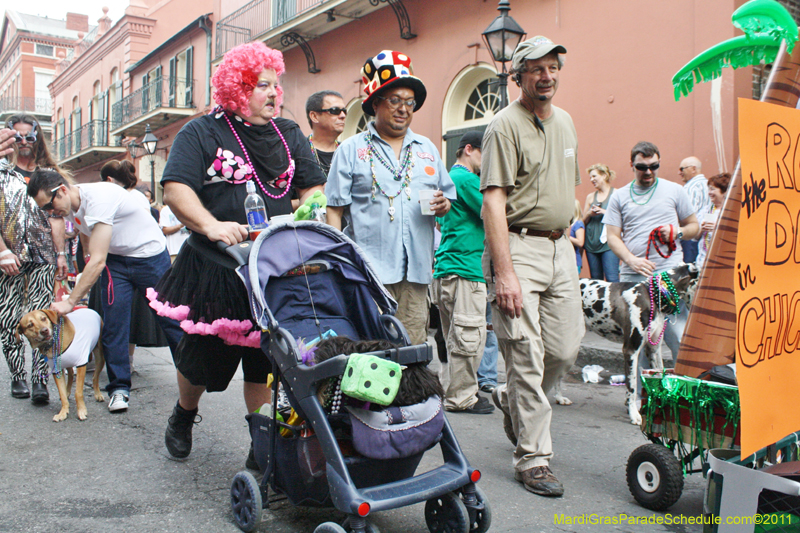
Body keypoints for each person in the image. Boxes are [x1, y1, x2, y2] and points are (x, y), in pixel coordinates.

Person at [147, 42, 325, 463]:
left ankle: (260, 445)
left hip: (273, 266)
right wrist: (211, 225)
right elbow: (175, 188)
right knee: (200, 363)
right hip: (214, 267)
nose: (274, 93)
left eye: (276, 84)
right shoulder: (202, 131)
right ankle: (184, 414)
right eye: (262, 84)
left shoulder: (290, 133)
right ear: (236, 88)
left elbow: (312, 186)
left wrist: (312, 206)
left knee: (265, 360)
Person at [481, 36, 584, 497]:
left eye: (553, 67)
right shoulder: (503, 126)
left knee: (563, 350)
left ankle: (512, 401)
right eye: (537, 69)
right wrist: (504, 272)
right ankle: (534, 458)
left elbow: (569, 185)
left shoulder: (565, 122)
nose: (547, 76)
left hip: (561, 250)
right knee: (524, 353)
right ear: (519, 76)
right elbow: (494, 202)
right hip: (517, 248)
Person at [27, 169, 184, 412]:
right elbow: (88, 237)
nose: (50, 212)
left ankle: (190, 378)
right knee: (114, 323)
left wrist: (70, 302)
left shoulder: (99, 198)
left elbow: (98, 261)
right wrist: (85, 254)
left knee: (170, 319)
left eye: (49, 205)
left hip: (150, 257)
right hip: (117, 260)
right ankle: (119, 388)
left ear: (62, 190)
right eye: (43, 210)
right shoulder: (69, 206)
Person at [327, 50, 456, 346]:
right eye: (395, 101)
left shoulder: (427, 149)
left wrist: (443, 205)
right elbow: (334, 210)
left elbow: (447, 201)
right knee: (371, 350)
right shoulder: (351, 149)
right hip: (368, 274)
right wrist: (338, 265)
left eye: (409, 102)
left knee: (411, 349)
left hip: (416, 275)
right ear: (375, 104)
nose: (404, 109)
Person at [603, 141, 699, 358]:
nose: (648, 172)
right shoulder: (619, 196)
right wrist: (630, 259)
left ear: (659, 163)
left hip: (668, 278)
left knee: (679, 337)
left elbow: (695, 227)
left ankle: (683, 388)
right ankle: (641, 392)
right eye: (642, 167)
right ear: (631, 165)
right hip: (634, 278)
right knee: (639, 341)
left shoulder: (675, 190)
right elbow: (612, 237)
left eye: (653, 166)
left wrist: (678, 232)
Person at [1, 115, 68, 403]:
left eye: (30, 136)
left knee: (43, 319)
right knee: (9, 318)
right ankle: (18, 376)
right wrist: (2, 251)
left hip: (43, 256)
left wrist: (61, 253)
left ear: (38, 137)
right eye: (18, 136)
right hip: (8, 256)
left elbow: (56, 216)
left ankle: (40, 379)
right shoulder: (1, 172)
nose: (24, 142)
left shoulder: (48, 172)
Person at [432, 131, 494, 415]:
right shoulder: (466, 179)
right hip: (466, 269)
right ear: (469, 150)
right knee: (469, 338)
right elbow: (492, 212)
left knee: (455, 337)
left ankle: (454, 391)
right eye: (485, 153)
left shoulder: (446, 179)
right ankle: (462, 397)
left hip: (446, 268)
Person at [581, 163, 619, 281]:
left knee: (612, 278)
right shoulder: (590, 197)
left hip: (609, 243)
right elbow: (583, 222)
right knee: (596, 281)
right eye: (590, 177)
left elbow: (622, 218)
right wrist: (589, 214)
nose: (592, 180)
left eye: (594, 176)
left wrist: (603, 211)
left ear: (604, 176)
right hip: (591, 243)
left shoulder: (616, 194)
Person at [305, 90, 346, 178]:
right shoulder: (299, 151)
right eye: (335, 110)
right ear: (314, 116)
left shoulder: (348, 152)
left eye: (344, 111)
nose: (343, 115)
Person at [678, 156, 709, 263]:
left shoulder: (690, 187)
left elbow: (686, 215)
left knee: (688, 271)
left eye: (682, 169)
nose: (680, 173)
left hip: (691, 237)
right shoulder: (709, 185)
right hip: (705, 237)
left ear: (693, 169)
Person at [696, 172, 730, 268]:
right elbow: (695, 237)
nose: (709, 192)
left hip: (723, 262)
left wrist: (718, 228)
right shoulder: (705, 210)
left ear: (724, 191)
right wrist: (701, 229)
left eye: (713, 189)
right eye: (709, 189)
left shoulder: (731, 211)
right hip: (703, 262)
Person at [569, 200, 585, 274]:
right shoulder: (568, 224)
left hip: (574, 261)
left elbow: (580, 242)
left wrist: (566, 236)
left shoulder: (578, 224)